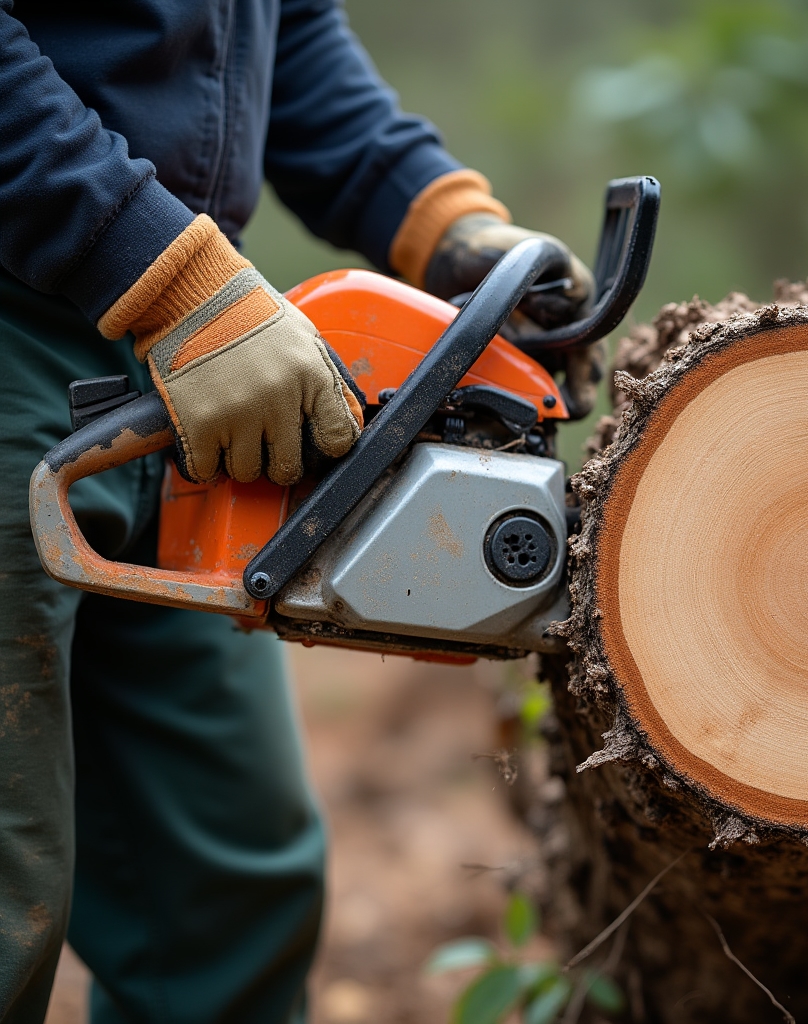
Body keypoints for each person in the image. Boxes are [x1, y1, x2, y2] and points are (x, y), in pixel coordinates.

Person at [0, 1, 595, 1020]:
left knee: (225, 899)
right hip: (55, 306)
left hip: (201, 363)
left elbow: (283, 28)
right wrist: (172, 282)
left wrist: (439, 221)